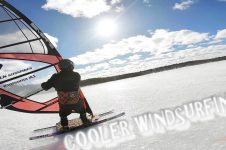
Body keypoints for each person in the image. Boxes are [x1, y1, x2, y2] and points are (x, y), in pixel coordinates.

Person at [41, 59, 91, 130]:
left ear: (60, 67)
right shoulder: (76, 75)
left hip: (64, 103)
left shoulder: (55, 77)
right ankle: (85, 121)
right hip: (76, 101)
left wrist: (43, 84)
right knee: (82, 109)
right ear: (71, 65)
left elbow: (45, 87)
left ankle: (65, 126)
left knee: (63, 113)